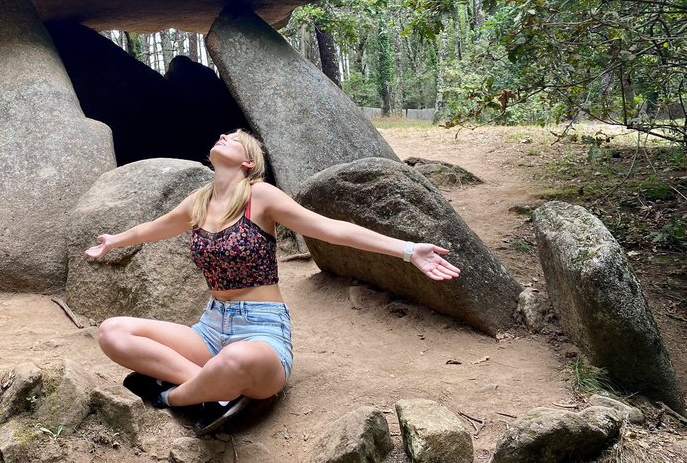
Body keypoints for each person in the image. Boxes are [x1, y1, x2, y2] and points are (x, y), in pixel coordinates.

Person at [85, 129, 460, 435]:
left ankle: (173, 397)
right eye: (224, 135)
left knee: (237, 359)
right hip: (210, 329)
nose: (223, 135)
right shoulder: (199, 202)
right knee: (112, 332)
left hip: (260, 330)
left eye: (234, 138)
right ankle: (213, 391)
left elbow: (331, 229)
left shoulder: (259, 196)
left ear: (248, 162)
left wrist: (408, 250)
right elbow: (155, 228)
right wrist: (114, 240)